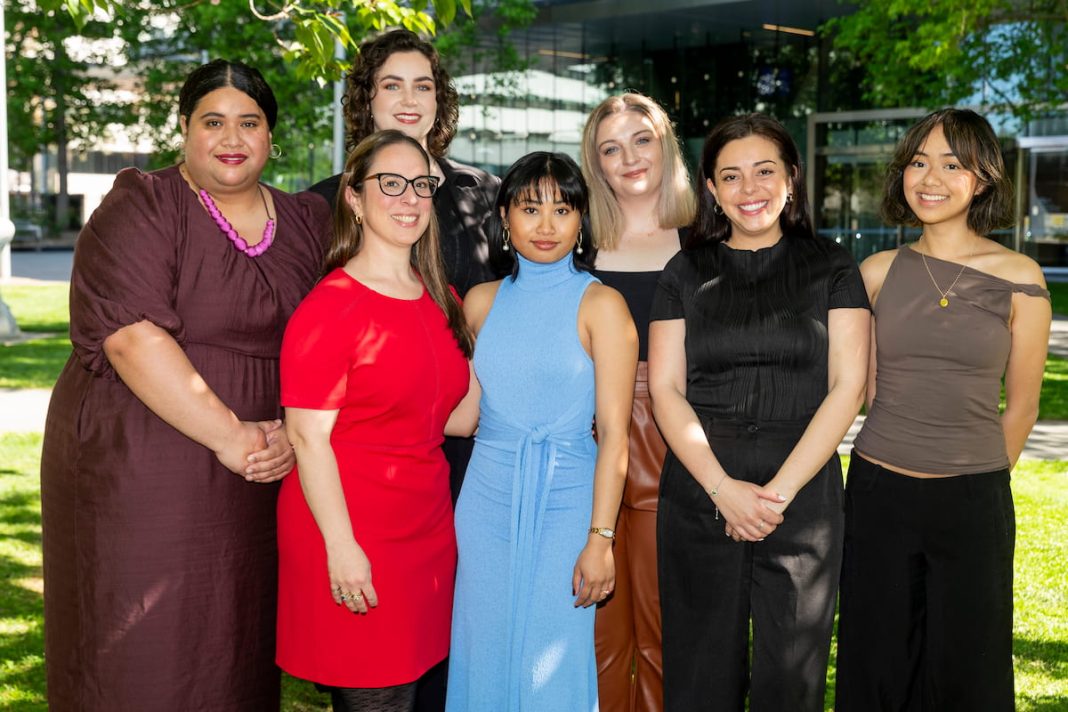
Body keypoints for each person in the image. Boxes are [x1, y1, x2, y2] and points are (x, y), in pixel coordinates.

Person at [39, 60, 331, 711]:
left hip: (261, 470)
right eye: (213, 121)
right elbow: (131, 337)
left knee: (235, 649)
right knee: (144, 651)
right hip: (141, 467)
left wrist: (289, 432)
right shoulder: (144, 202)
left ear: (271, 137)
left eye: (249, 122)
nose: (232, 137)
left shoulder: (306, 220)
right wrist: (232, 437)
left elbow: (333, 331)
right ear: (184, 130)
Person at [647, 113, 871, 712]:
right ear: (712, 190)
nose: (750, 189)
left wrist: (774, 495)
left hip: (802, 498)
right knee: (699, 679)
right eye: (732, 176)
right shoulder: (684, 272)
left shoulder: (834, 266)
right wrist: (724, 489)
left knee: (791, 683)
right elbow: (666, 389)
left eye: (765, 171)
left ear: (791, 179)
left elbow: (848, 388)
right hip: (700, 490)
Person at [835, 109, 1051, 712]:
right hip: (879, 494)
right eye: (918, 162)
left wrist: (970, 480)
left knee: (968, 670)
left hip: (973, 501)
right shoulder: (875, 274)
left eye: (953, 164)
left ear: (982, 178)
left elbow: (1025, 407)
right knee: (876, 664)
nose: (931, 177)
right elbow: (867, 389)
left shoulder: (1020, 278)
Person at [276, 129, 478, 712]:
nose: (409, 197)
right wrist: (342, 548)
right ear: (355, 199)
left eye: (420, 184)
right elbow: (307, 438)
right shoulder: (329, 308)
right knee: (377, 698)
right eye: (390, 183)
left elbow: (461, 418)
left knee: (419, 695)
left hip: (426, 529)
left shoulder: (442, 298)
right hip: (352, 531)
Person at [445, 152, 638, 711]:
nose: (547, 225)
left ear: (582, 220)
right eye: (531, 209)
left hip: (569, 496)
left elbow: (616, 439)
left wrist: (600, 541)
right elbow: (464, 416)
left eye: (563, 209)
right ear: (505, 216)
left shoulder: (602, 305)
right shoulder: (481, 302)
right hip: (484, 498)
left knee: (551, 656)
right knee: (482, 645)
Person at [580, 92, 696, 712]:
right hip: (588, 439)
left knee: (664, 627)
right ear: (595, 164)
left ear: (666, 144)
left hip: (677, 445)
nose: (629, 157)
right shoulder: (576, 243)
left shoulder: (707, 237)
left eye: (642, 140)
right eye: (610, 148)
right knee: (597, 627)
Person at [308, 28, 499, 300]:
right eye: (392, 86)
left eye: (422, 87)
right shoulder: (321, 205)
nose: (410, 100)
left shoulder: (487, 193)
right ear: (366, 100)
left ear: (438, 100)